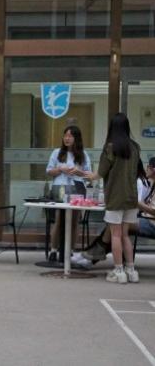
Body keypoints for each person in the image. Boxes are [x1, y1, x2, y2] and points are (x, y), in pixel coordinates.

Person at [85, 112, 141, 284]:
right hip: (131, 197)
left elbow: (100, 173)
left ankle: (118, 271)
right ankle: (131, 271)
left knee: (115, 235)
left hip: (115, 197)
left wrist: (85, 174)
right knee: (125, 235)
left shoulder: (110, 147)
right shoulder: (135, 147)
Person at [74, 157, 154, 278]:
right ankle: (94, 257)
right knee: (116, 229)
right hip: (142, 217)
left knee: (116, 228)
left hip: (149, 222)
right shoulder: (147, 182)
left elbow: (147, 208)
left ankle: (93, 256)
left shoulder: (138, 182)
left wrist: (132, 201)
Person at [45, 125, 91, 261]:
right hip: (60, 187)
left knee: (74, 221)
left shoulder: (83, 154)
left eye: (70, 136)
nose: (67, 138)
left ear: (76, 138)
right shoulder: (57, 152)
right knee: (59, 219)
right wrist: (60, 169)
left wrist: (79, 172)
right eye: (65, 135)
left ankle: (70, 250)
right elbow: (49, 171)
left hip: (77, 187)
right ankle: (54, 250)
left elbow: (89, 175)